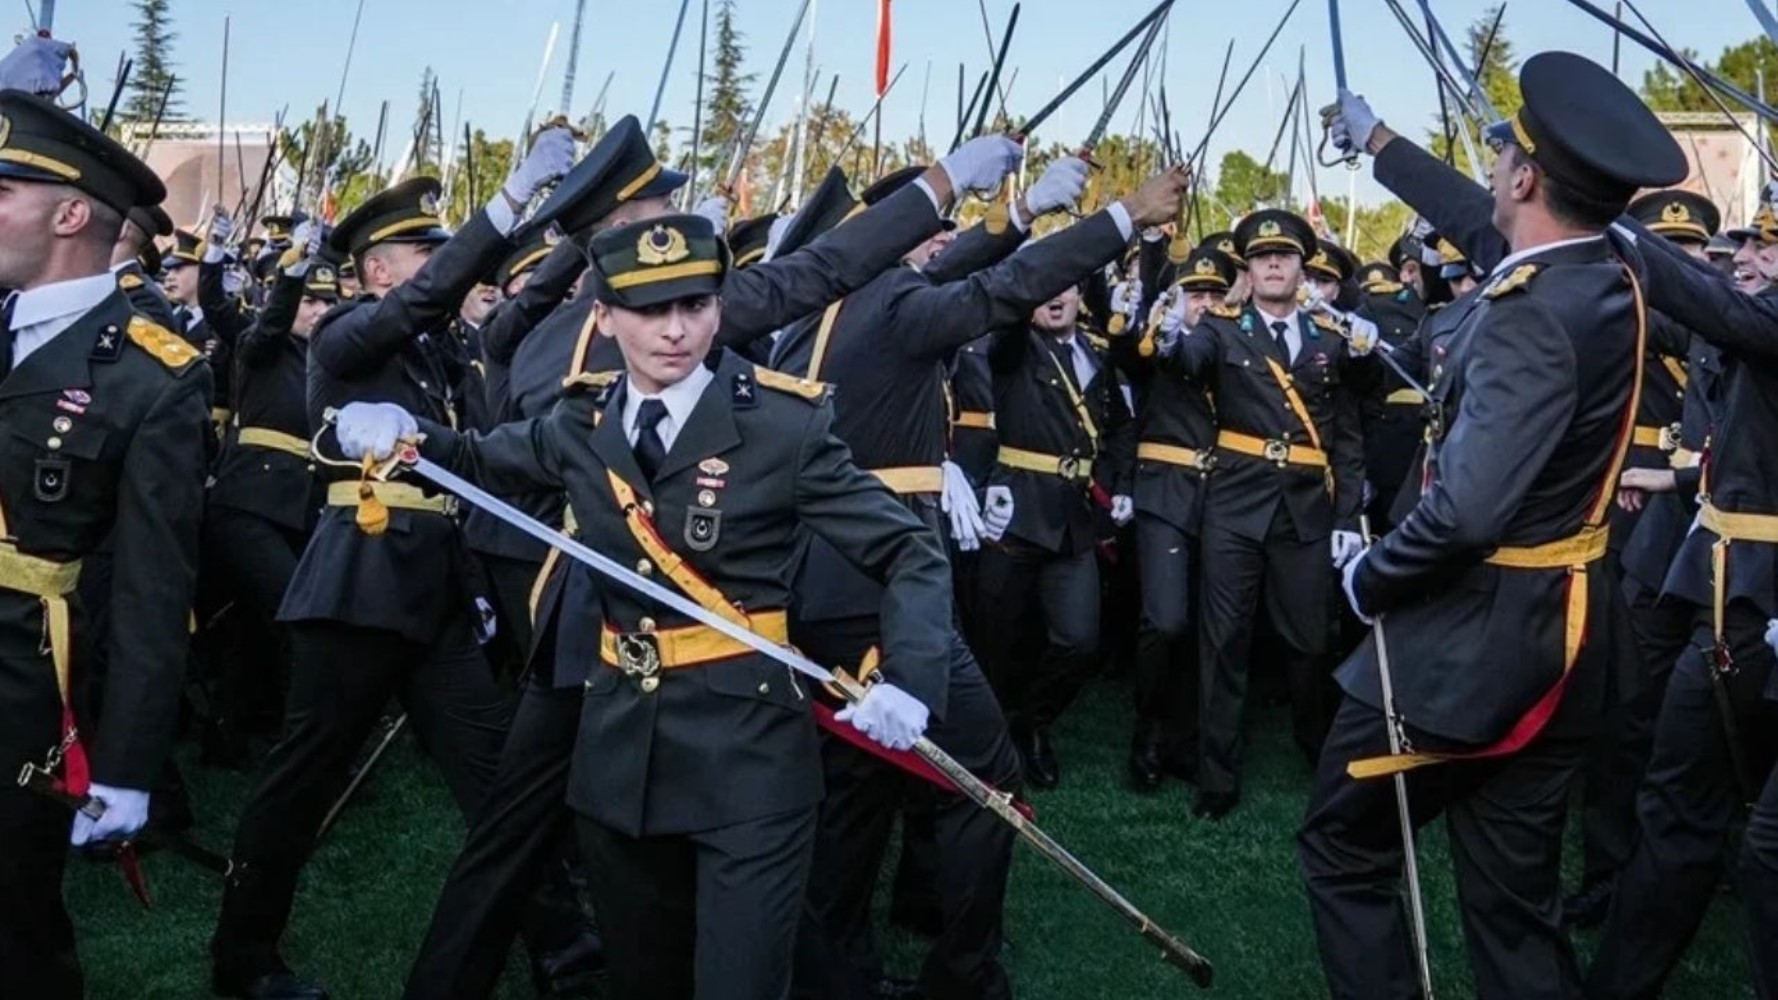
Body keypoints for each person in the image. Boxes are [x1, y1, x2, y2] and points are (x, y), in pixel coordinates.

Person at [403, 121, 1026, 1000]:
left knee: (583, 854)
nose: (676, 327)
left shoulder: (593, 335)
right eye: (658, 208)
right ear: (609, 289)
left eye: (693, 301)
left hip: (696, 689)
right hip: (604, 648)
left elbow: (900, 547)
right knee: (598, 891)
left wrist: (911, 676)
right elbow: (821, 271)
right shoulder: (585, 374)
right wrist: (943, 182)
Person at [1304, 51, 1686, 998]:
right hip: (1565, 632)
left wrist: (1369, 579)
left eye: (1501, 156)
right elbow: (1490, 230)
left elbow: (1467, 511)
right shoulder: (1606, 272)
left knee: (1343, 847)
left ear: (1524, 177)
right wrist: (1381, 143)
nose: (1490, 170)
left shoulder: (1527, 315)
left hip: (1472, 644)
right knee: (1513, 903)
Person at [208, 127, 577, 1000]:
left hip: (442, 589)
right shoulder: (347, 336)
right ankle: (245, 958)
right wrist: (509, 199)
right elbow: (434, 298)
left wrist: (578, 233)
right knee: (303, 777)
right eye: (424, 252)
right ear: (377, 270)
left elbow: (506, 308)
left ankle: (561, 938)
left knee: (497, 778)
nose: (442, 267)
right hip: (361, 583)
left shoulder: (436, 356)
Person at [0, 89, 210, 999]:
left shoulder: (152, 376)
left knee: (14, 926)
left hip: (24, 692)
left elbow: (153, 598)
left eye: (2, 193)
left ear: (70, 213)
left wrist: (125, 770)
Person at [1161, 208, 1369, 819]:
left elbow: (1348, 438)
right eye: (1261, 257)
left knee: (1310, 642)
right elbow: (1187, 361)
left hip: (1306, 509)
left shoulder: (1333, 338)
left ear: (1303, 267)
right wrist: (1172, 332)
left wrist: (1346, 517)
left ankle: (1318, 752)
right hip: (1234, 505)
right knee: (1222, 641)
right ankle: (1216, 777)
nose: (1274, 264)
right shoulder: (1223, 329)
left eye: (1284, 256)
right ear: (1248, 271)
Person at [972, 274, 1138, 789]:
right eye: (1046, 284)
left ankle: (1032, 721)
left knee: (1079, 640)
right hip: (1014, 511)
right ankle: (986, 740)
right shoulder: (1013, 343)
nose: (1055, 295)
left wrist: (1120, 481)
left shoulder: (1097, 350)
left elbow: (1119, 426)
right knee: (994, 640)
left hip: (1074, 521)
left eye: (1066, 286)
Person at [1118, 244, 1235, 789]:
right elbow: (1134, 351)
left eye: (1216, 293)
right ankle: (1146, 730)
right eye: (1196, 294)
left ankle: (1186, 740)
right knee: (1166, 620)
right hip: (1164, 491)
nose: (1205, 304)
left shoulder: (1238, 346)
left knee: (1205, 630)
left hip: (1224, 497)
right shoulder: (1159, 339)